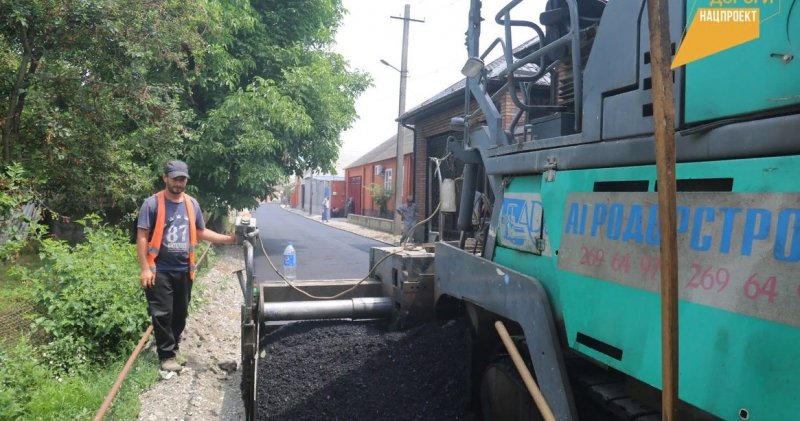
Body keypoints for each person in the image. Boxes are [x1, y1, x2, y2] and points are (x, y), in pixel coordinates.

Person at [136, 160, 236, 372]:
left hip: (184, 269)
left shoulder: (192, 204)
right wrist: (145, 268)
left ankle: (173, 347)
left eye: (182, 179)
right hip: (159, 269)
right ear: (165, 178)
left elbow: (200, 231)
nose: (179, 183)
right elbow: (142, 235)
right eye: (175, 179)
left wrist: (228, 239)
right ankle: (166, 356)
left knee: (180, 313)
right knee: (162, 313)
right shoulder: (152, 204)